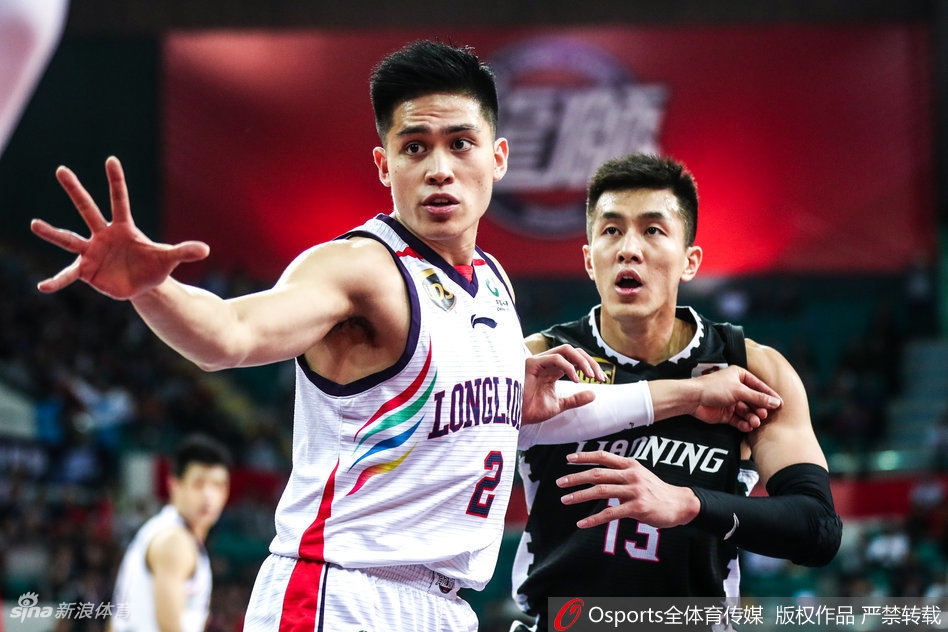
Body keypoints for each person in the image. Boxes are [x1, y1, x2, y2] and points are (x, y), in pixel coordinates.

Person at [30, 41, 782, 632]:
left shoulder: (492, 284)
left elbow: (514, 416)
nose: (439, 169)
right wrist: (152, 288)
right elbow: (229, 334)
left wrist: (685, 394)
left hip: (444, 606)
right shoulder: (359, 269)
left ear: (498, 158)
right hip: (341, 597)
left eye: (460, 144)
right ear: (384, 165)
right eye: (415, 148)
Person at [512, 153, 843, 631]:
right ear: (588, 260)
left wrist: (689, 503)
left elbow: (818, 529)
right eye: (611, 231)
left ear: (690, 261)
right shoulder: (540, 362)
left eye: (652, 230)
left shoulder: (751, 368)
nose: (629, 249)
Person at [110, 433, 232, 632]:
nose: (208, 496)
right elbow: (169, 626)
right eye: (198, 484)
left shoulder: (161, 530)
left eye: (218, 485)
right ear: (174, 485)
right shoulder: (175, 542)